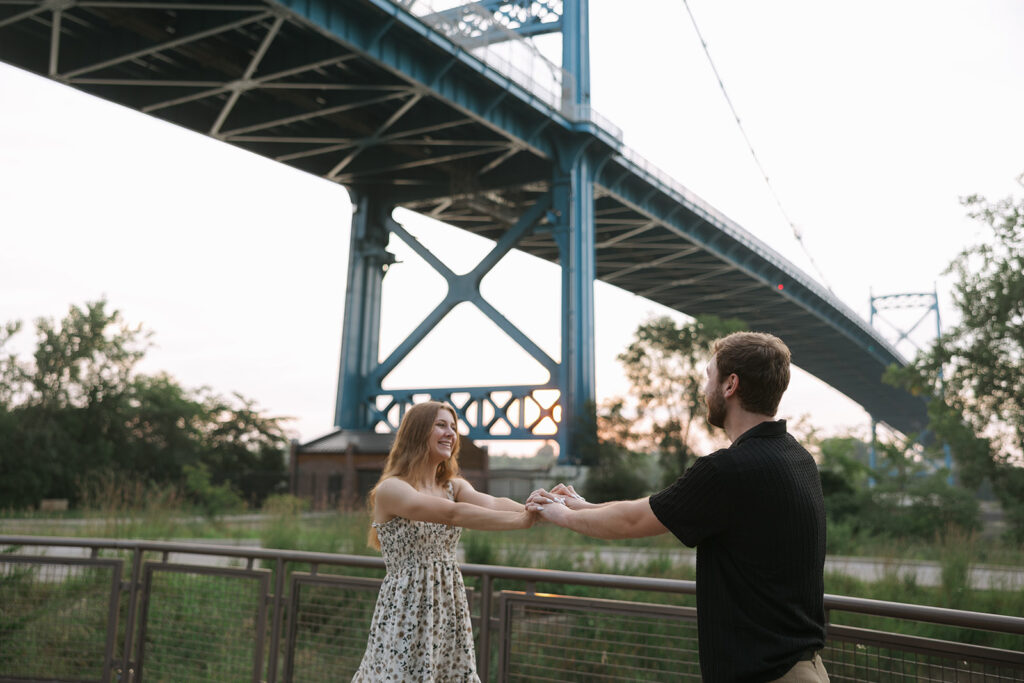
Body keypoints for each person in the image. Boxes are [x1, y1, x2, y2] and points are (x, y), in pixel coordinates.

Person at [527, 332, 829, 682]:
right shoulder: (797, 457)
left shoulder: (728, 470)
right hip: (808, 670)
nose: (704, 389)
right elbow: (655, 508)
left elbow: (632, 522)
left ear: (730, 384)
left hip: (767, 674)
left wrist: (560, 515)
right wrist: (581, 505)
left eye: (707, 376)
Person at [352, 401, 534, 682]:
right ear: (417, 432)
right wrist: (523, 521)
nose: (451, 433)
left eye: (453, 427)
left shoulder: (454, 486)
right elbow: (452, 514)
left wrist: (540, 508)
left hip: (448, 603)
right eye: (441, 425)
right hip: (406, 608)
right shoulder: (392, 489)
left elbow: (494, 503)